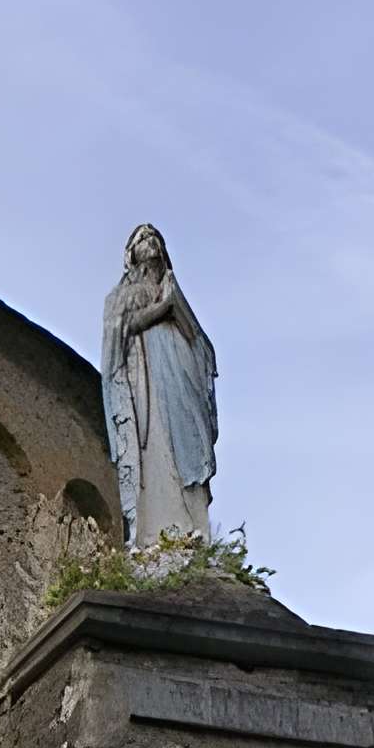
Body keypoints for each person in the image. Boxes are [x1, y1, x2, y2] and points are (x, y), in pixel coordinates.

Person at [101, 223, 218, 546]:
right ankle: (152, 536)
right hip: (145, 380)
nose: (149, 241)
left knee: (186, 443)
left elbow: (197, 340)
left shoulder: (171, 286)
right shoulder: (124, 294)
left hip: (179, 379)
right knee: (153, 447)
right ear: (131, 254)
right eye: (141, 238)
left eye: (155, 238)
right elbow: (122, 327)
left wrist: (176, 311)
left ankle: (194, 528)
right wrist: (163, 309)